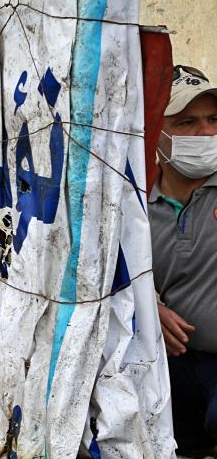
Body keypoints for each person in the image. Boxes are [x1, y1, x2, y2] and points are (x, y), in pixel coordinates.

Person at [150, 65, 217, 454]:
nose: (207, 133)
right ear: (157, 134)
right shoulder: (132, 204)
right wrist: (149, 306)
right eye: (187, 122)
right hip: (165, 364)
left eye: (214, 119)